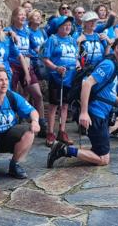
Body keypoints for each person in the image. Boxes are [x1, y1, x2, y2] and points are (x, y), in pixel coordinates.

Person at [47, 37, 118, 168]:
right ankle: (62, 149)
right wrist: (84, 112)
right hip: (96, 111)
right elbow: (87, 83)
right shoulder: (108, 65)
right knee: (103, 159)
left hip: (103, 111)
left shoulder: (117, 66)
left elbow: (108, 90)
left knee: (110, 129)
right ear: (117, 48)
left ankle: (74, 149)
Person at [5, 7, 45, 134]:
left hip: (27, 65)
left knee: (37, 94)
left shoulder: (27, 31)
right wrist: (10, 33)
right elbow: (1, 32)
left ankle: (42, 123)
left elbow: (37, 48)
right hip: (13, 64)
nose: (22, 17)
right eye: (19, 15)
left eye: (24, 15)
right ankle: (13, 122)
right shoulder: (9, 30)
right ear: (14, 17)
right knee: (12, 95)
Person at [42, 16, 79, 147]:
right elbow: (45, 59)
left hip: (70, 77)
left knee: (65, 106)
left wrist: (78, 66)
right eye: (65, 25)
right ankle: (50, 132)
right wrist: (56, 68)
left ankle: (62, 131)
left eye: (69, 25)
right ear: (58, 26)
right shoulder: (52, 39)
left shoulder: (73, 40)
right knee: (53, 105)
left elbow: (76, 58)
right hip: (56, 77)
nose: (68, 27)